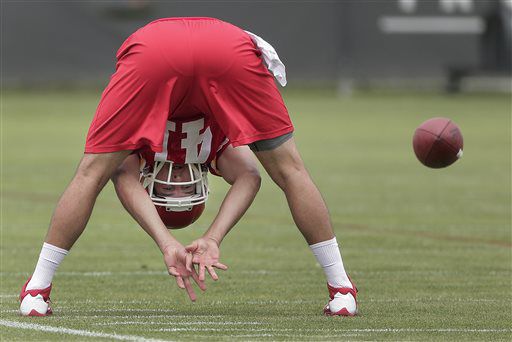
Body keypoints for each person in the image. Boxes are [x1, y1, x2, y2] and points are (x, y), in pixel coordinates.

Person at [19, 17, 357, 317]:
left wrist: (167, 243)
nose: (177, 180)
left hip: (157, 51)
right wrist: (212, 237)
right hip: (224, 50)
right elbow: (249, 177)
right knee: (290, 170)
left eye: (167, 189)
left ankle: (37, 289)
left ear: (147, 182)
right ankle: (341, 289)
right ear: (204, 187)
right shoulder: (216, 157)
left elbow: (120, 177)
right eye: (185, 190)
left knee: (91, 172)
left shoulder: (133, 166)